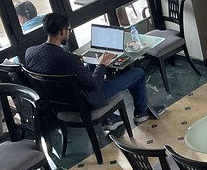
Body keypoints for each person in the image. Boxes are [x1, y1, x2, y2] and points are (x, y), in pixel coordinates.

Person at [23, 12, 155, 125]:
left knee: (90, 68)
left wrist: (76, 61)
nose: (69, 33)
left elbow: (52, 65)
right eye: (69, 30)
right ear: (62, 31)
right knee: (138, 73)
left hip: (58, 104)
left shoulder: (30, 52)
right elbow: (94, 85)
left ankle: (110, 119)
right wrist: (102, 64)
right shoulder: (68, 60)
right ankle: (141, 114)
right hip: (85, 102)